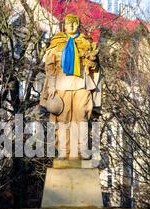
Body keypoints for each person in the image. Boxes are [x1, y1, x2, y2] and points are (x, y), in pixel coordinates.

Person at [40, 14, 101, 159]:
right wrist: (51, 88)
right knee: (63, 120)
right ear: (64, 25)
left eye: (75, 22)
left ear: (78, 24)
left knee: (82, 118)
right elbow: (50, 67)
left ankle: (82, 151)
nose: (72, 26)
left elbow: (95, 68)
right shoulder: (56, 43)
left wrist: (92, 61)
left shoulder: (86, 43)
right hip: (62, 86)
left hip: (81, 85)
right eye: (69, 23)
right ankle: (64, 152)